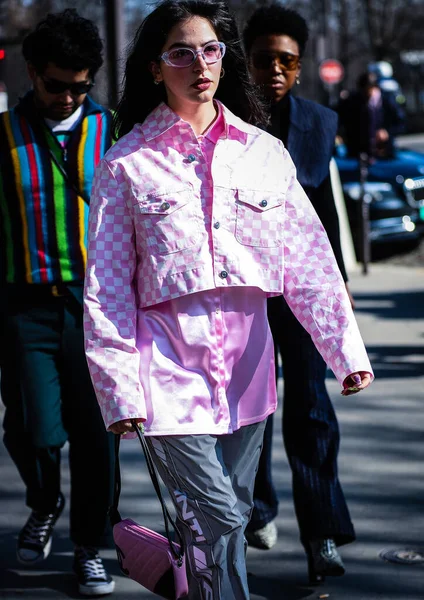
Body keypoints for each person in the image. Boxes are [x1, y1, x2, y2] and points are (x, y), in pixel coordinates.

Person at [83, 1, 373, 598]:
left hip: (248, 376)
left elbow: (310, 262)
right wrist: (119, 389)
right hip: (165, 376)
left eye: (210, 50)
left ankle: (194, 581)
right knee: (222, 518)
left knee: (222, 528)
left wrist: (345, 353)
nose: (200, 64)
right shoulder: (126, 164)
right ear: (155, 68)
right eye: (182, 53)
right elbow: (107, 290)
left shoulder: (263, 153)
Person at [0, 9, 115, 596]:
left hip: (98, 310)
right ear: (31, 73)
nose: (67, 97)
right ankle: (44, 501)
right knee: (33, 430)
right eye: (54, 84)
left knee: (97, 438)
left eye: (79, 86)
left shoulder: (113, 132)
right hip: (23, 307)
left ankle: (90, 545)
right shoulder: (1, 136)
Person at [242, 3, 358, 584]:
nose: (277, 71)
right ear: (248, 61)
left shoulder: (318, 122)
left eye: (288, 61)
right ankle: (256, 509)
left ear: (301, 65)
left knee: (312, 407)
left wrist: (337, 287)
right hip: (239, 290)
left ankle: (322, 535)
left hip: (301, 287)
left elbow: (325, 213)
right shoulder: (223, 120)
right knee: (248, 409)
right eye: (265, 60)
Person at [337, 71, 405, 159]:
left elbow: (401, 123)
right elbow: (342, 119)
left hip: (383, 151)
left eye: (368, 90)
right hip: (358, 152)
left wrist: (387, 132)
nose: (366, 94)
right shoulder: (353, 102)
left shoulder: (387, 102)